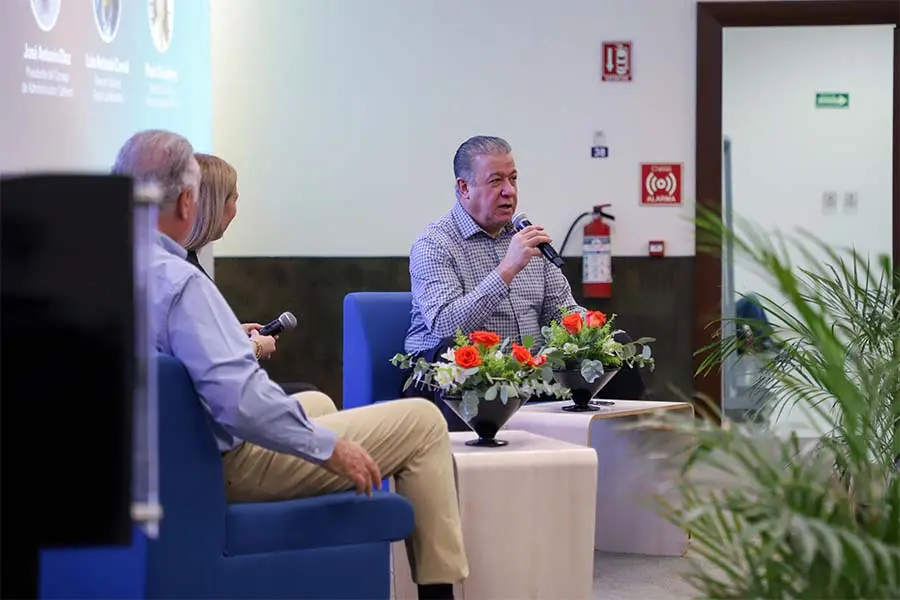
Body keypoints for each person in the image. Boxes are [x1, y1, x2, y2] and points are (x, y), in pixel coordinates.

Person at [113, 129, 467, 600]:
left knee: (316, 403)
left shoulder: (101, 271)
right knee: (422, 421)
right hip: (224, 464)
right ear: (186, 203)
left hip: (149, 468)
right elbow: (241, 403)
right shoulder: (180, 284)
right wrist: (328, 449)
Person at [402, 135, 646, 428]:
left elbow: (562, 312)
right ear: (464, 188)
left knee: (615, 344)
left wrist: (594, 333)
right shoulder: (434, 245)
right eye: (496, 181)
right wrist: (507, 270)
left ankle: (633, 454)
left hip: (528, 372)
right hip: (451, 377)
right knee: (449, 352)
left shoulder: (529, 239)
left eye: (513, 179)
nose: (509, 191)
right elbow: (445, 325)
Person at [181, 152, 319, 395]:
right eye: (233, 198)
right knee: (313, 398)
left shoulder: (180, 263)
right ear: (214, 205)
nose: (235, 209)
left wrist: (230, 333)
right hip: (216, 408)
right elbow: (209, 366)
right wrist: (253, 348)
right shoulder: (185, 276)